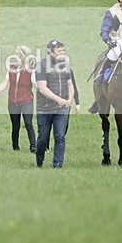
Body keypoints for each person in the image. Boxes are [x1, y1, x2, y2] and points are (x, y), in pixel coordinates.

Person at [34, 39, 75, 168]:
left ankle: (57, 165)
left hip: (61, 109)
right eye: (59, 51)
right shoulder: (41, 65)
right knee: (43, 138)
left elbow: (70, 84)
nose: (62, 53)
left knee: (60, 137)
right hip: (44, 109)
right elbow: (42, 88)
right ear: (50, 52)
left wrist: (69, 99)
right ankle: (39, 160)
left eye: (63, 50)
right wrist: (59, 99)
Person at [0, 45, 37, 152]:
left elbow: (36, 84)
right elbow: (5, 81)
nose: (15, 55)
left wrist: (43, 89)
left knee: (28, 123)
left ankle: (33, 146)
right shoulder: (11, 67)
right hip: (12, 102)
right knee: (15, 125)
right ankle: (15, 147)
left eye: (17, 54)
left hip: (26, 101)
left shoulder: (31, 70)